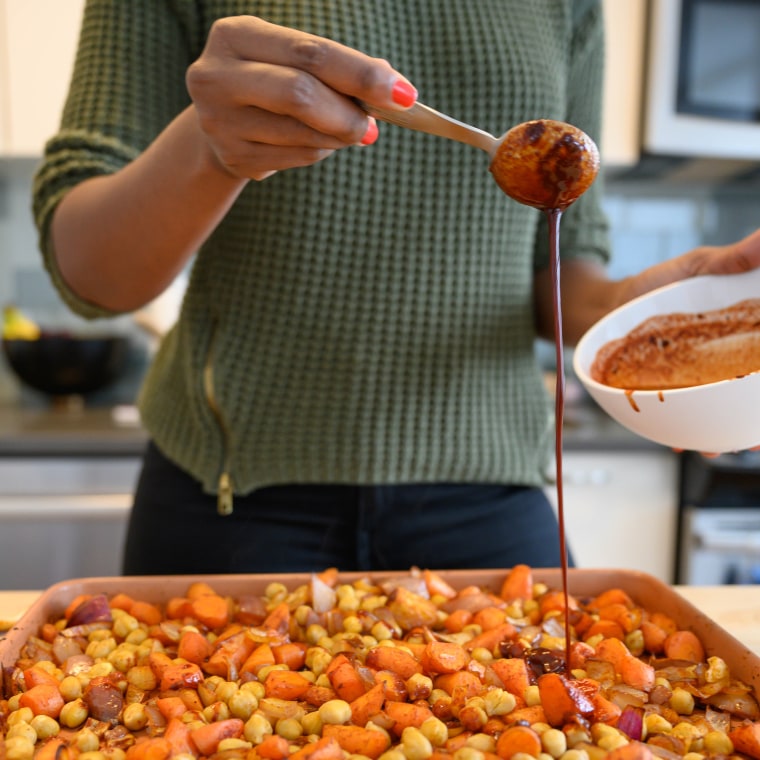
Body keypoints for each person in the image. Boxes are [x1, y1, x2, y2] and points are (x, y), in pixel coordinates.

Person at [33, 1, 760, 576]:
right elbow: (92, 277)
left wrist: (662, 309)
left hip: (490, 496)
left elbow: (563, 270)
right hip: (232, 500)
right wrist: (210, 144)